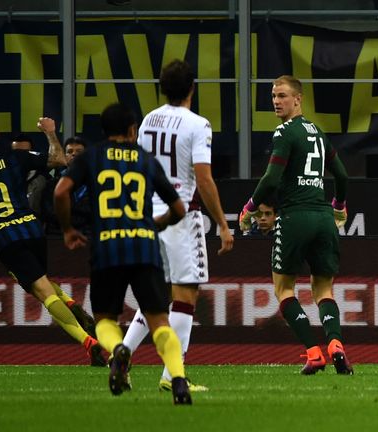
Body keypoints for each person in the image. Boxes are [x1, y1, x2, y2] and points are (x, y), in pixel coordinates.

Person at [54, 102, 192, 404]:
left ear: (103, 131)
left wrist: (67, 229)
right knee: (161, 323)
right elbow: (179, 208)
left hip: (107, 247)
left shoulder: (90, 157)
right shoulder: (145, 160)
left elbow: (61, 191)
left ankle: (118, 351)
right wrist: (156, 223)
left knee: (105, 321)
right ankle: (178, 379)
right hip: (144, 246)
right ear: (133, 130)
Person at [0, 116, 105, 366]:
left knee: (43, 293)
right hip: (33, 232)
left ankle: (88, 343)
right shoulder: (15, 157)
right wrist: (50, 133)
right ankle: (72, 305)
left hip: (6, 240)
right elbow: (59, 159)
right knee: (41, 283)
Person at [121, 59, 234, 392]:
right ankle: (173, 375)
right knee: (186, 295)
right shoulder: (198, 124)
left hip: (149, 216)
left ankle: (123, 354)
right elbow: (203, 177)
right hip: (182, 215)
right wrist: (222, 224)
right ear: (192, 88)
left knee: (158, 297)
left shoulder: (148, 120)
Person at [238, 75, 352, 375]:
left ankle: (314, 353)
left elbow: (272, 179)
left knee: (284, 288)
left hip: (294, 217)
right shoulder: (318, 132)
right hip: (323, 218)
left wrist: (250, 207)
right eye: (274, 96)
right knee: (323, 289)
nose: (276, 101)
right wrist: (339, 206)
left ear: (298, 99)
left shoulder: (284, 133)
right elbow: (342, 177)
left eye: (283, 96)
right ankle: (336, 343)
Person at [43, 136, 91, 236]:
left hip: (89, 236)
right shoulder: (52, 184)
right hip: (58, 237)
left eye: (79, 151)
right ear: (65, 156)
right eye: (69, 151)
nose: (74, 154)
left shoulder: (95, 183)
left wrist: (67, 212)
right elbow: (51, 213)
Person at [12, 133, 50, 217]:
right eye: (17, 153)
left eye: (25, 153)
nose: (21, 157)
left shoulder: (42, 176)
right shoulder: (1, 175)